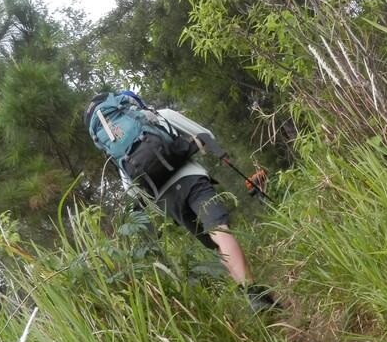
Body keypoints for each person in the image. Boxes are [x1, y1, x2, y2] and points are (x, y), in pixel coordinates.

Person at [84, 91, 277, 312]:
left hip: (168, 201)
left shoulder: (117, 152)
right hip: (191, 178)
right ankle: (255, 295)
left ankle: (255, 296)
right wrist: (221, 153)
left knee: (216, 246)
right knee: (220, 231)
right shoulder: (157, 116)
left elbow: (133, 191)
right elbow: (204, 134)